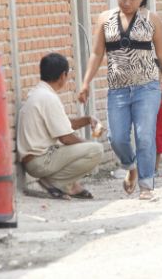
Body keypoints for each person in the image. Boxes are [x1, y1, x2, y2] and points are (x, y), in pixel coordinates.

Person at [78, 0, 162, 201]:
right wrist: (86, 82)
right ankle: (130, 166)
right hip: (118, 90)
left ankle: (146, 186)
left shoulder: (151, 19)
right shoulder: (105, 19)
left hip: (147, 88)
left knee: (145, 135)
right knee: (117, 138)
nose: (126, 2)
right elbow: (96, 53)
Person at [17, 52, 103, 200]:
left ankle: (68, 184)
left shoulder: (39, 92)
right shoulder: (49, 98)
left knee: (80, 143)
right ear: (63, 75)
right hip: (39, 161)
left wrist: (87, 119)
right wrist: (85, 145)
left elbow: (63, 124)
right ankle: (58, 183)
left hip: (36, 160)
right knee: (95, 150)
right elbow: (66, 138)